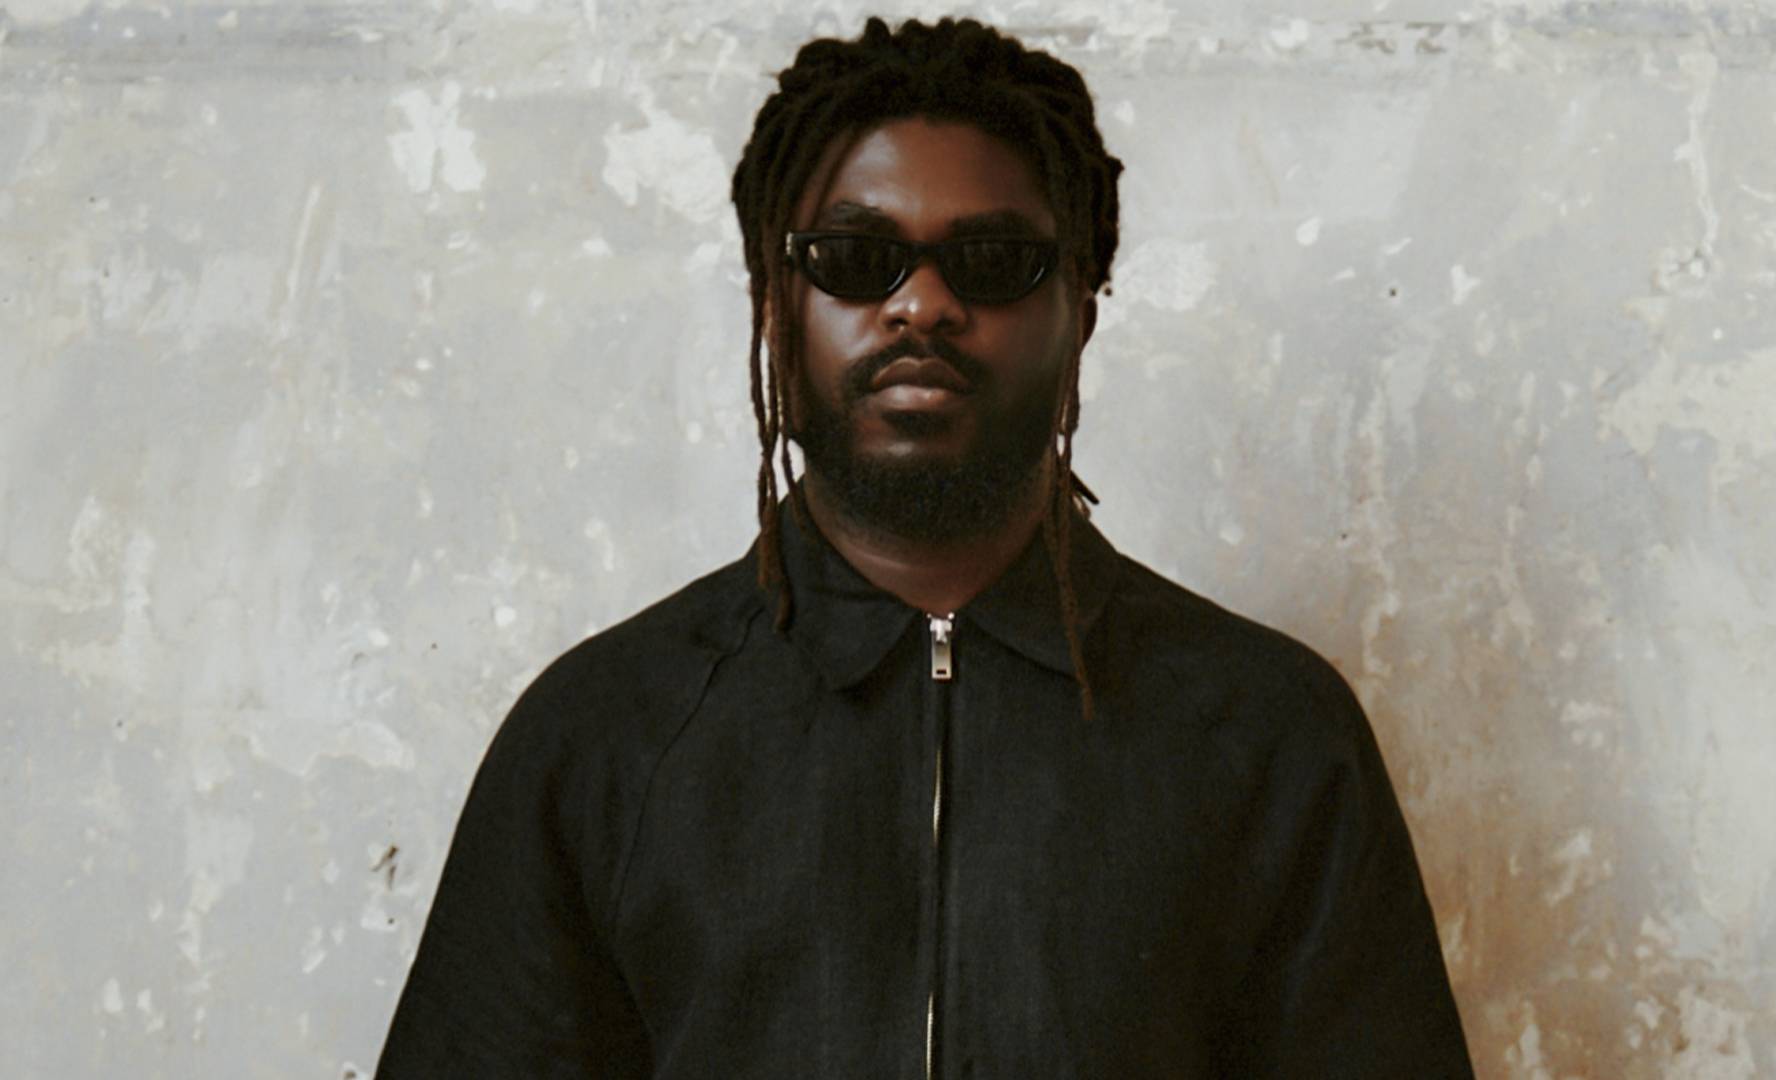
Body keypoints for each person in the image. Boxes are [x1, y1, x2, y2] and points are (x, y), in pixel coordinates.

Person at [377, 16, 1472, 1078]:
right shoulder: (603, 739)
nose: (922, 306)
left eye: (993, 260)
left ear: (1080, 314)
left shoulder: (1269, 735)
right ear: (774, 304)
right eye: (856, 257)